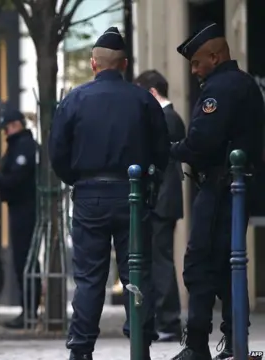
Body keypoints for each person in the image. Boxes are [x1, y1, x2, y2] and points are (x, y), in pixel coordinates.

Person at [49, 27, 170, 360]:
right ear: (125, 64)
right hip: (132, 194)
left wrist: (79, 180)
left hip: (89, 195)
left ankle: (81, 349)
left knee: (89, 278)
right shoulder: (144, 100)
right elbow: (162, 152)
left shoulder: (74, 100)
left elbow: (57, 153)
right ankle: (140, 346)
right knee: (137, 272)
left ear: (93, 64)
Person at [169, 23, 265, 360]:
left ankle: (196, 345)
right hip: (239, 187)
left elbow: (201, 143)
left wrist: (174, 149)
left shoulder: (219, 89)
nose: (194, 70)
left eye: (197, 63)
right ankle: (235, 340)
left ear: (215, 56)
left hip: (219, 187)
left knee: (200, 264)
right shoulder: (247, 84)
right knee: (230, 264)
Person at [0, 109, 40, 329]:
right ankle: (28, 310)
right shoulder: (19, 145)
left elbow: (16, 178)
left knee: (25, 259)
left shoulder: (23, 146)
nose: (5, 133)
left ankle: (29, 311)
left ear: (15, 125)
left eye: (6, 128)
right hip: (20, 207)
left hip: (25, 208)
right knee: (23, 259)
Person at [134, 70, 186, 342]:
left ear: (152, 92)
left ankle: (169, 321)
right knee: (158, 260)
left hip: (162, 202)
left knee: (160, 261)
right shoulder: (170, 118)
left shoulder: (168, 118)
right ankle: (164, 320)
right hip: (164, 201)